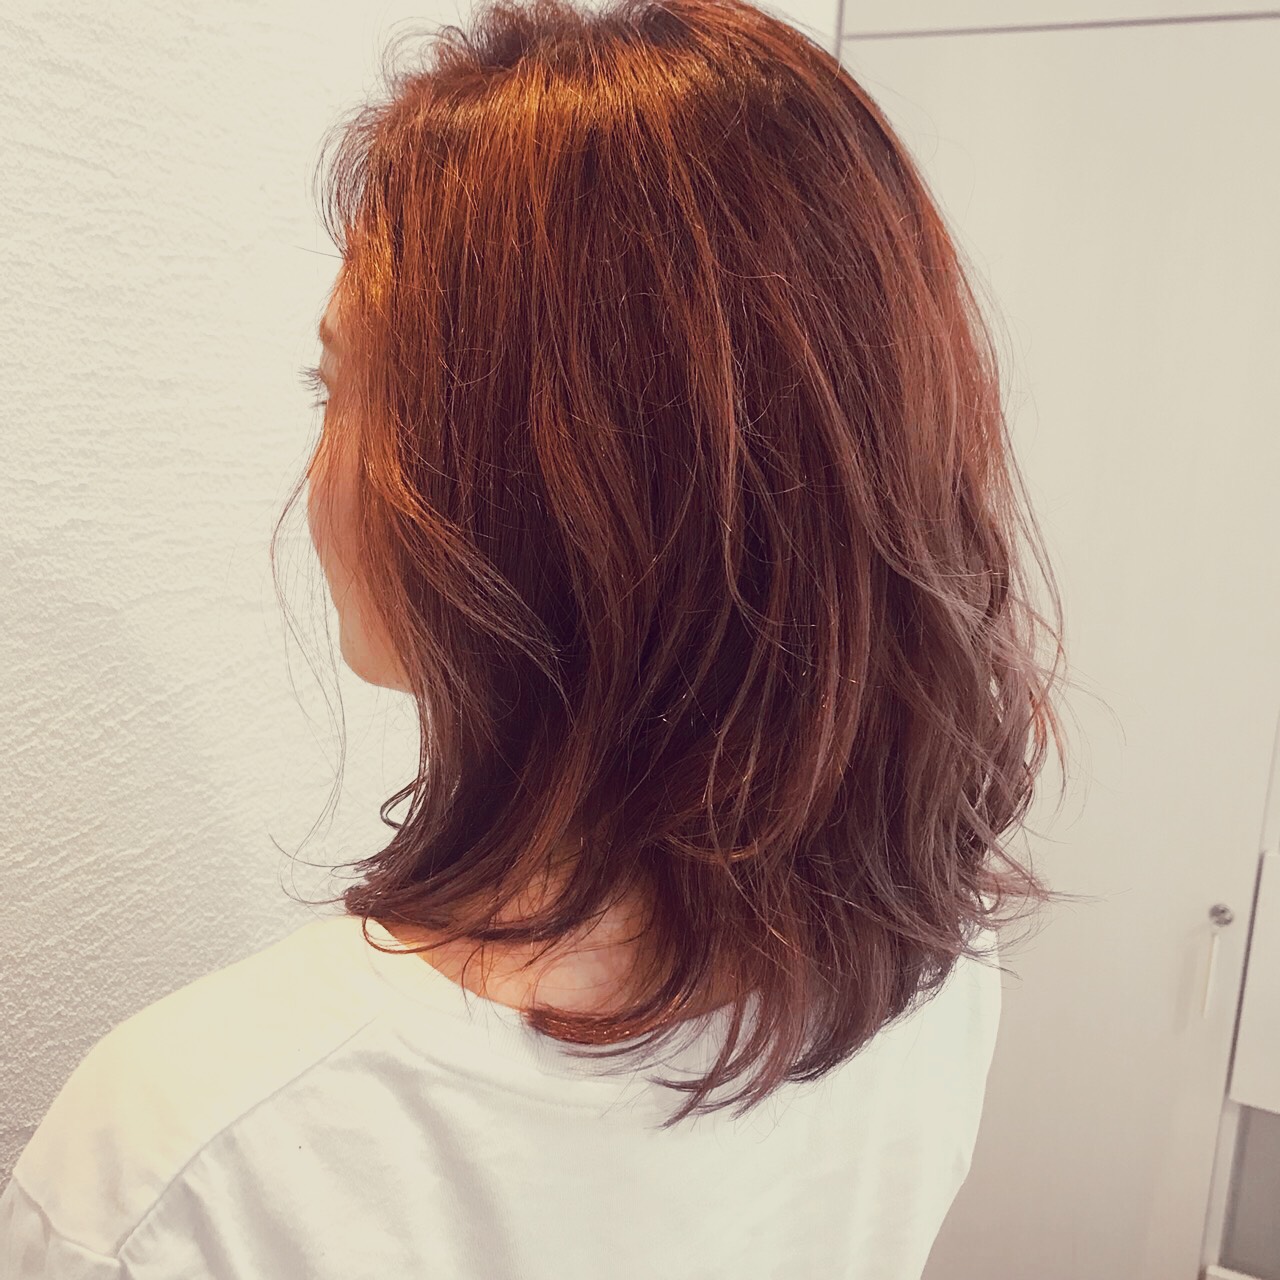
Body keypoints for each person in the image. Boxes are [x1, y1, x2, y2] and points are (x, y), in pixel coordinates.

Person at [0, 0, 1072, 1274]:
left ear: (544, 491)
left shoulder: (184, 1159)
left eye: (345, 389)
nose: (315, 481)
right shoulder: (933, 960)